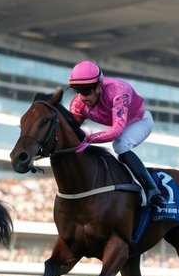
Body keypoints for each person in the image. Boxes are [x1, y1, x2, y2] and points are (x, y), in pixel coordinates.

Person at [65, 60, 164, 206]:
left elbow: (116, 130)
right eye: (78, 91)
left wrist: (89, 138)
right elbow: (69, 132)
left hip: (140, 121)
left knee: (120, 145)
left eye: (87, 91)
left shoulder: (118, 90)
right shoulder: (78, 103)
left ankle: (152, 190)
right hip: (121, 124)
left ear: (99, 87)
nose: (82, 97)